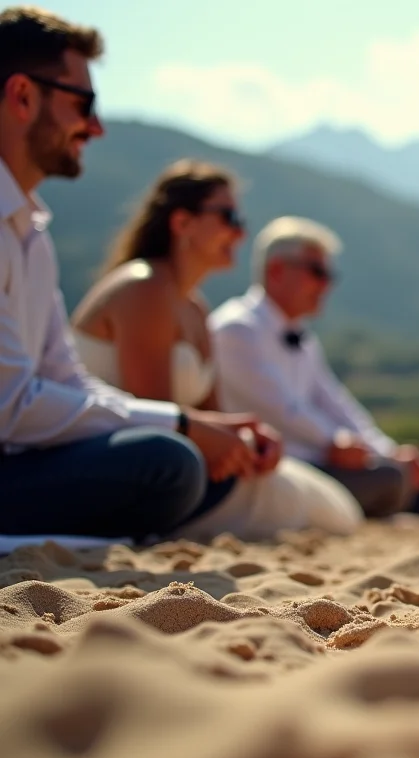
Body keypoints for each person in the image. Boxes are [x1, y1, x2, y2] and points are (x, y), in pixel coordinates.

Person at [0, 6, 274, 545]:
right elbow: (12, 407)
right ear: (23, 97)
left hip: (24, 455)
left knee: (191, 461)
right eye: (84, 104)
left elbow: (66, 380)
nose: (95, 127)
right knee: (170, 461)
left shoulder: (31, 233)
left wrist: (196, 426)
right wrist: (177, 424)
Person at [70, 160, 363, 540]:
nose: (240, 233)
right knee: (311, 503)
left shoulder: (194, 308)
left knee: (328, 503)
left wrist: (249, 438)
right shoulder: (144, 288)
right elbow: (157, 415)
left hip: (178, 459)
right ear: (182, 223)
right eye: (228, 217)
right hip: (126, 464)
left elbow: (210, 417)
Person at [210, 216, 419, 520]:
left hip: (325, 462)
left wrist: (388, 450)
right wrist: (337, 444)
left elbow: (337, 403)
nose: (326, 283)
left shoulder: (303, 338)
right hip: (285, 467)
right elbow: (283, 410)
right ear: (277, 270)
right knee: (390, 478)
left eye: (329, 274)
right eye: (317, 271)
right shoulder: (236, 329)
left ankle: (396, 506)